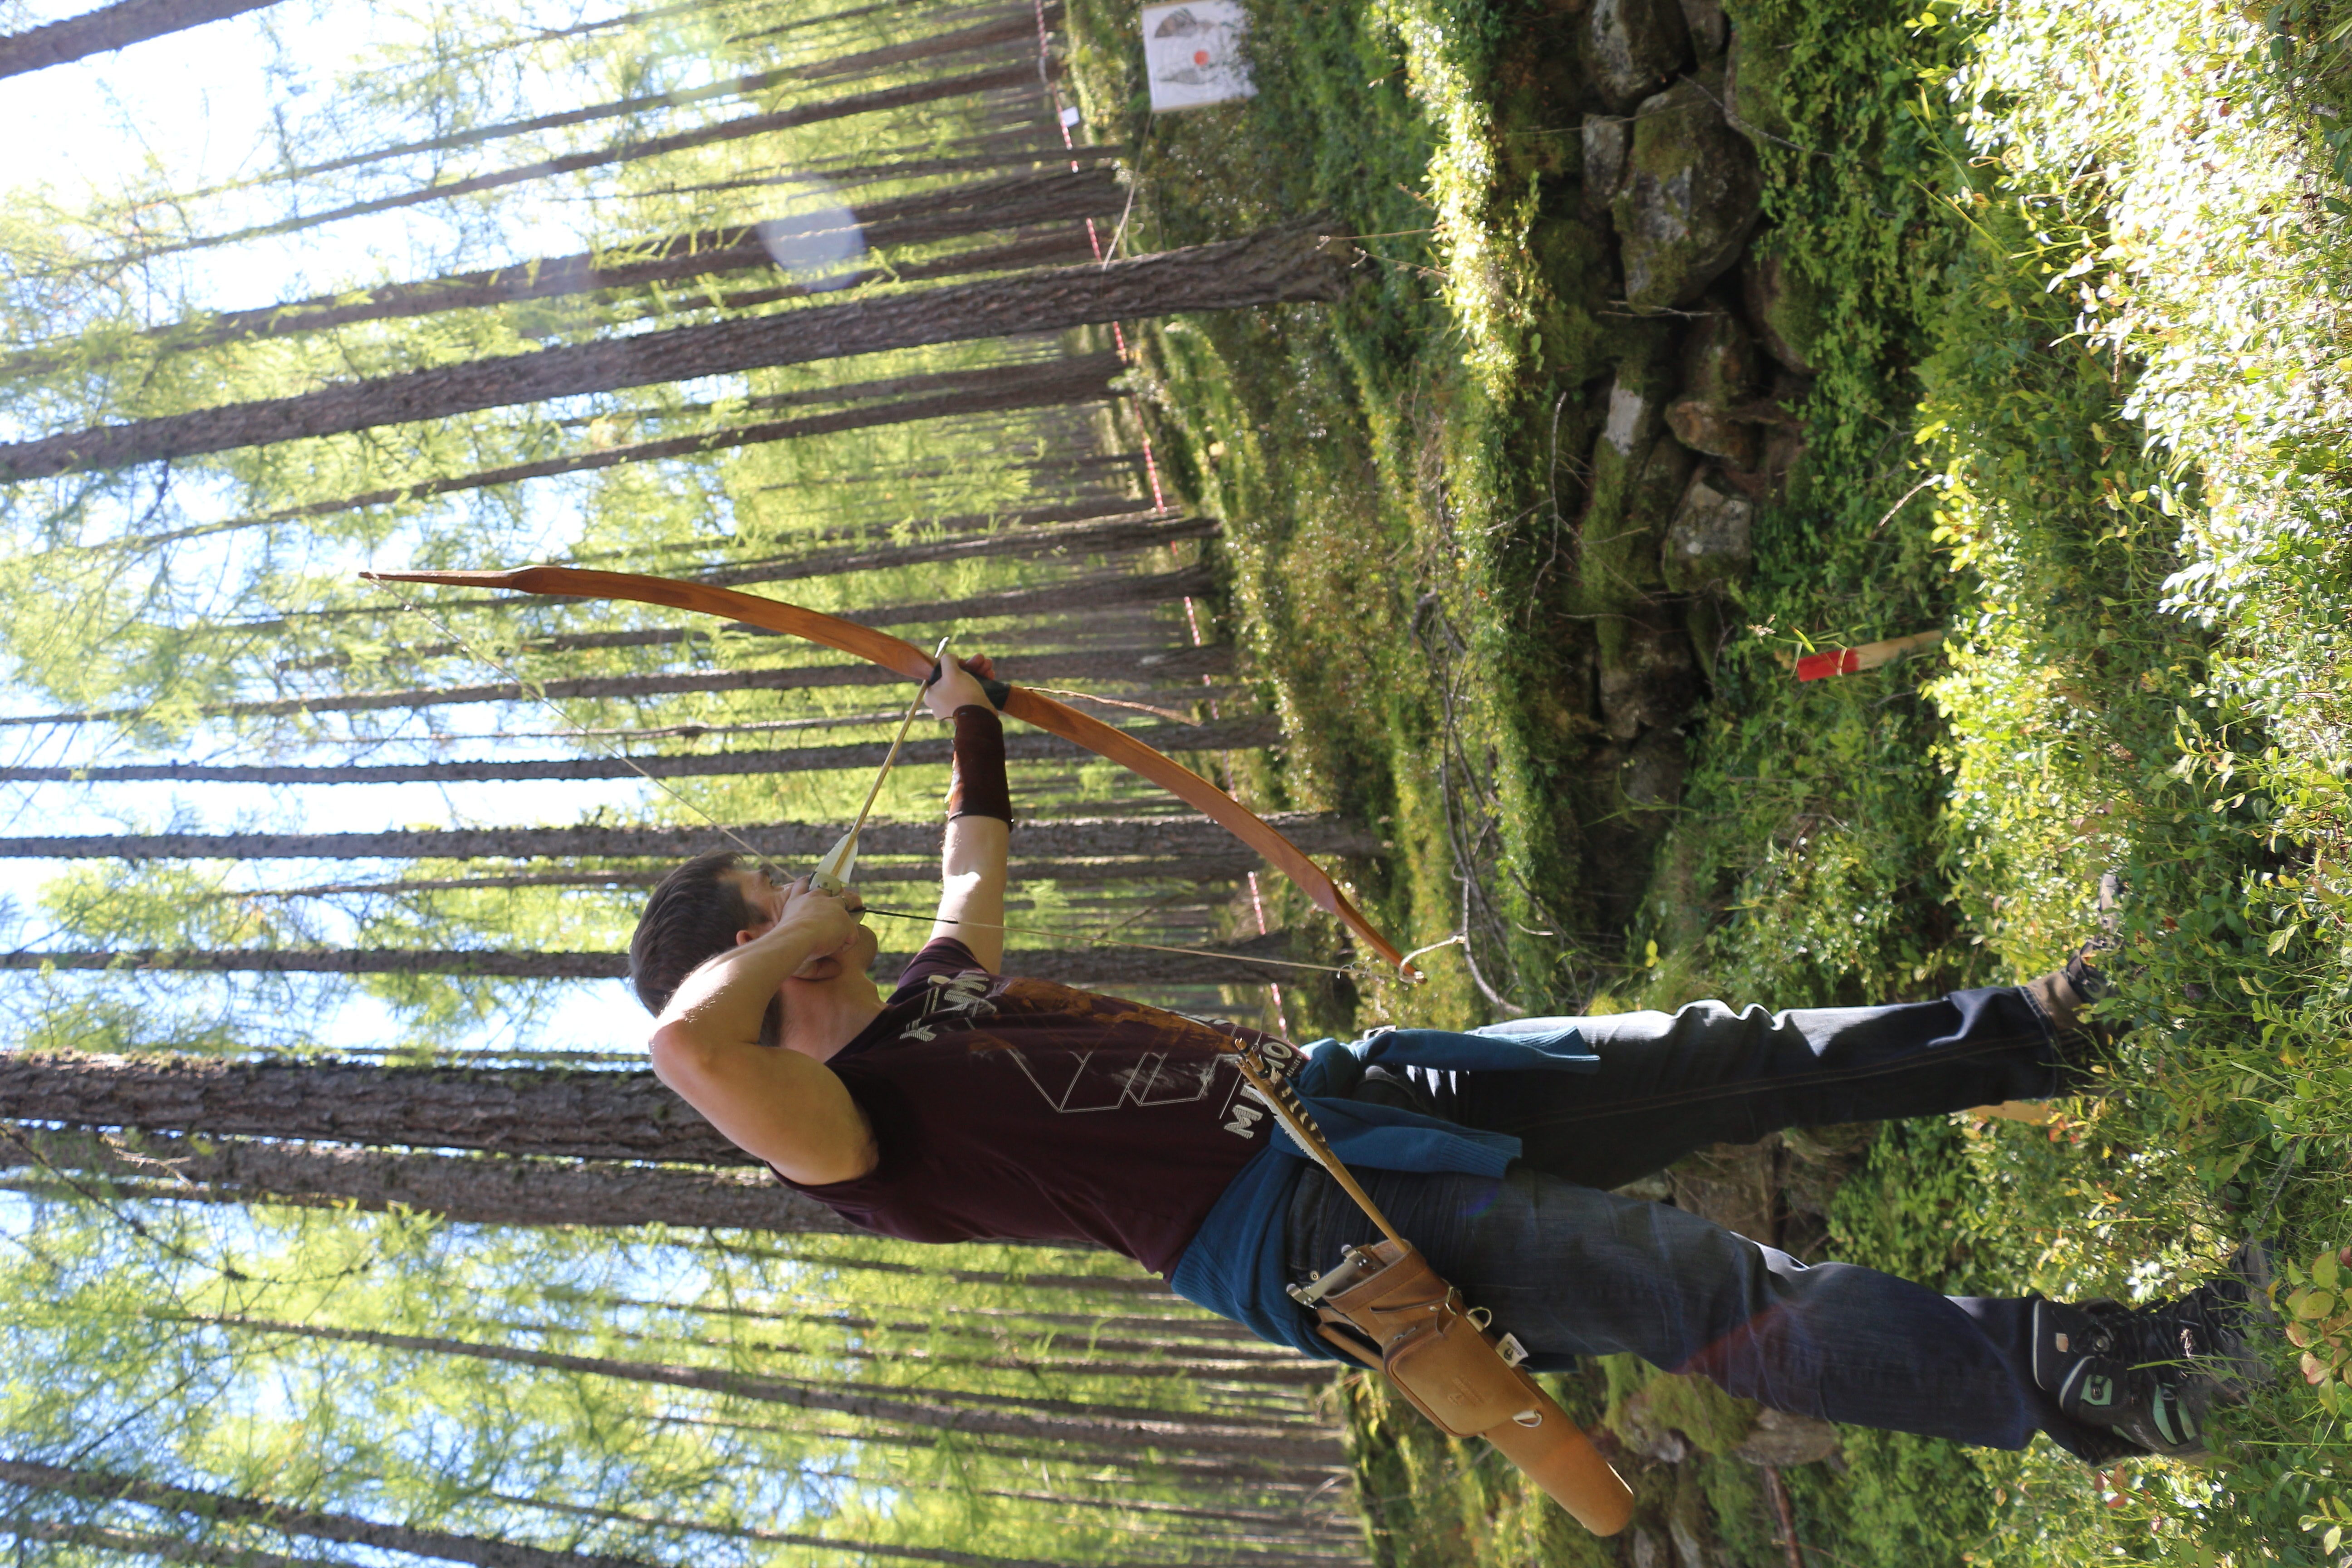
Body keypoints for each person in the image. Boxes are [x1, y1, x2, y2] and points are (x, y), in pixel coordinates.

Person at [628, 656, 2272, 1465]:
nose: (804, 892)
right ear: (753, 963)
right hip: (1315, 1233)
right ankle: (2118, 1382)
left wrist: (967, 709)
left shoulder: (931, 1000)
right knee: (1701, 1287)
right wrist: (774, 939)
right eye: (771, 903)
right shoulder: (829, 1125)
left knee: (1717, 1058)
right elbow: (681, 1043)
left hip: (1346, 1092)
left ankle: (2059, 1027)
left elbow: (971, 862)